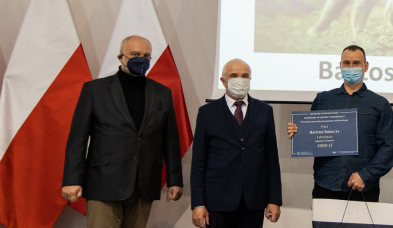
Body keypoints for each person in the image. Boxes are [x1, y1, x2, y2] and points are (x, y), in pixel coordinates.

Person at [62, 35, 183, 228]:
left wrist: (174, 180)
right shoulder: (95, 90)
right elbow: (78, 138)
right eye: (135, 54)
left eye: (146, 55)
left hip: (143, 184)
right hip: (103, 183)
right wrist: (71, 179)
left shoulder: (162, 93)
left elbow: (170, 141)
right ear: (121, 57)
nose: (141, 59)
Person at [287, 45, 393, 202]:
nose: (350, 67)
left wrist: (366, 175)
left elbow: (390, 147)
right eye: (346, 63)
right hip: (325, 185)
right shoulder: (323, 99)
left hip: (363, 187)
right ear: (340, 66)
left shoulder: (379, 104)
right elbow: (313, 139)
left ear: (365, 66)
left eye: (356, 63)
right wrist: (299, 132)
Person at [190, 59, 282, 228]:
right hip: (217, 200)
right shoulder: (207, 113)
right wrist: (198, 203)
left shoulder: (264, 111)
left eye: (245, 76)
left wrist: (274, 199)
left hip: (253, 200)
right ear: (223, 81)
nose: (240, 79)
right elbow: (198, 162)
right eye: (234, 75)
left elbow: (271, 159)